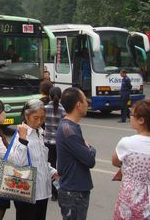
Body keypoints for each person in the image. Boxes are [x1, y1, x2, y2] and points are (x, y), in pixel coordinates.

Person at [112, 98, 150, 219]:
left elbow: (115, 161)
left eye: (131, 114)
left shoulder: (127, 143)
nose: (130, 116)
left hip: (130, 206)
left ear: (141, 120)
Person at [7, 99, 58, 220]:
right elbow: (17, 163)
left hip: (42, 191)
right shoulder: (21, 135)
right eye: (36, 118)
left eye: (42, 118)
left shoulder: (39, 132)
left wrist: (53, 172)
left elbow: (41, 161)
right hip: (26, 192)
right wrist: (23, 141)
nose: (39, 121)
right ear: (27, 116)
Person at [56, 87, 96, 220]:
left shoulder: (69, 126)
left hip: (75, 188)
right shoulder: (69, 131)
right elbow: (90, 160)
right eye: (85, 100)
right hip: (74, 191)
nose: (87, 103)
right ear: (78, 105)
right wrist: (90, 148)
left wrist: (87, 147)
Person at [43, 86, 65, 201]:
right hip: (59, 143)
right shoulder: (63, 110)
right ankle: (59, 189)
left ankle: (52, 191)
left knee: (50, 165)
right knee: (60, 166)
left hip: (47, 141)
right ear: (60, 97)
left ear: (49, 96)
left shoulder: (44, 109)